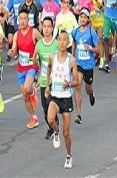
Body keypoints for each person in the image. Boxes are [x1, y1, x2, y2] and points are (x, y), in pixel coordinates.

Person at [45, 30, 78, 169]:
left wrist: (69, 84)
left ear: (68, 43)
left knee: (67, 133)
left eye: (65, 40)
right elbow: (48, 69)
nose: (62, 42)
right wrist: (47, 85)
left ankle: (69, 155)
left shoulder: (71, 60)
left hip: (66, 98)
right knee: (50, 118)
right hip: (55, 96)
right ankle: (55, 130)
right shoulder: (52, 56)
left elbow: (77, 82)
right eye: (60, 40)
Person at [8, 10, 42, 129]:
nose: (22, 21)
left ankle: (32, 90)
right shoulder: (17, 34)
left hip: (32, 66)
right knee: (25, 96)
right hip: (21, 67)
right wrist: (11, 52)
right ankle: (34, 117)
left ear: (28, 20)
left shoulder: (34, 32)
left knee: (27, 88)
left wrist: (38, 55)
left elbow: (43, 44)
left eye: (25, 19)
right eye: (20, 19)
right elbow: (14, 49)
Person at [71, 8, 99, 123]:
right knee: (77, 86)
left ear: (88, 19)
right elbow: (73, 42)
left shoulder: (91, 32)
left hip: (88, 65)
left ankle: (91, 94)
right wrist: (71, 56)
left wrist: (90, 48)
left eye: (85, 17)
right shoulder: (75, 31)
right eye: (81, 17)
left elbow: (99, 49)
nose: (82, 19)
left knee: (87, 88)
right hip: (78, 64)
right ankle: (78, 115)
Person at [34, 16, 59, 139]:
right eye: (44, 26)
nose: (46, 29)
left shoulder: (56, 45)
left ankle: (55, 127)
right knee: (44, 107)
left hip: (54, 81)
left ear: (52, 28)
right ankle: (51, 127)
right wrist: (33, 60)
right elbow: (35, 62)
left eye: (49, 26)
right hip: (43, 80)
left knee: (51, 104)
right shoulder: (39, 44)